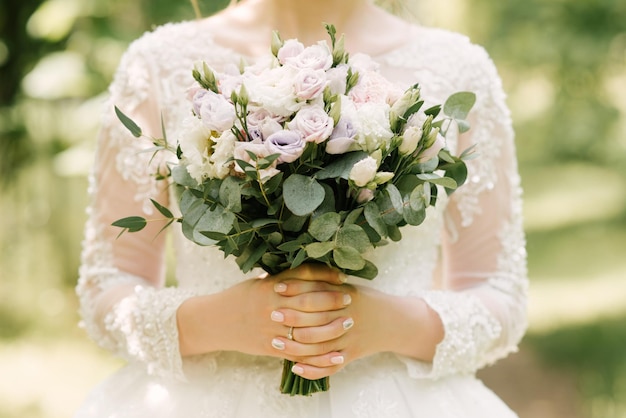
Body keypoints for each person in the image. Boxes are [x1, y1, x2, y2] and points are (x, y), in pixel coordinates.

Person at [75, 0, 528, 416]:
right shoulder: (156, 65)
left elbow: (500, 296)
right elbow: (108, 286)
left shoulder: (459, 70)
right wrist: (214, 322)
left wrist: (389, 324)